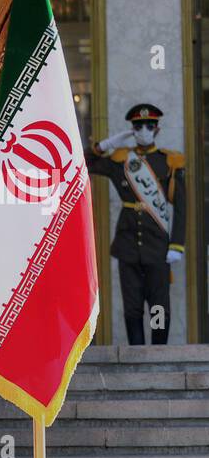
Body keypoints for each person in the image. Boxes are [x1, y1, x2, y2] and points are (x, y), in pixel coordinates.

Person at [85, 103, 186, 345]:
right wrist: (107, 145)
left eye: (149, 125)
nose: (143, 130)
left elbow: (182, 207)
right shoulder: (121, 160)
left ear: (157, 129)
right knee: (132, 307)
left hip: (157, 244)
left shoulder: (168, 162)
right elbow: (85, 162)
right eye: (138, 126)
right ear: (132, 129)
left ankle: (159, 355)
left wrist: (176, 245)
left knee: (158, 307)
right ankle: (136, 355)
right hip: (127, 244)